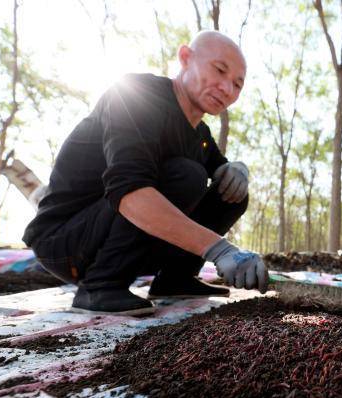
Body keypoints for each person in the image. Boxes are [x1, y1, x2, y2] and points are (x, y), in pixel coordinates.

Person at [22, 31, 269, 316]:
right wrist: (219, 250)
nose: (227, 88)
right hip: (66, 241)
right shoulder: (136, 96)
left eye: (238, 84)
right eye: (219, 70)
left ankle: (174, 279)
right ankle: (100, 286)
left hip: (128, 242)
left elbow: (222, 173)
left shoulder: (200, 134)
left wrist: (237, 169)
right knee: (187, 175)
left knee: (232, 194)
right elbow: (128, 192)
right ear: (186, 58)